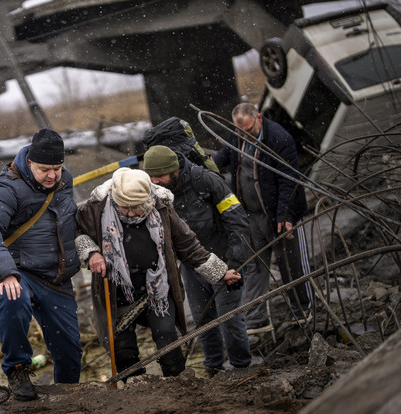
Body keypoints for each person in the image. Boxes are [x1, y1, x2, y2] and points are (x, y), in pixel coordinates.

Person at [75, 167, 241, 379]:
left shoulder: (162, 208)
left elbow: (188, 245)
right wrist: (91, 253)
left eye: (137, 207)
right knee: (121, 345)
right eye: (125, 208)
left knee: (166, 334)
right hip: (116, 287)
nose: (132, 213)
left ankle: (178, 381)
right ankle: (135, 387)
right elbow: (78, 231)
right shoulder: (96, 208)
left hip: (157, 286)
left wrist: (221, 272)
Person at [0, 128, 82, 401]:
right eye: (45, 169)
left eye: (57, 168)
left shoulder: (64, 181)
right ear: (29, 162)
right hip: (15, 269)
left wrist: (91, 251)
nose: (52, 175)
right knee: (14, 296)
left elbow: (71, 221)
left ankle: (66, 396)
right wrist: (6, 273)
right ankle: (18, 367)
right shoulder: (8, 188)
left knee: (69, 352)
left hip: (54, 277)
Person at [144, 145, 251, 376]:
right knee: (203, 321)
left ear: (173, 170)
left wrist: (235, 263)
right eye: (151, 178)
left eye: (159, 176)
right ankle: (213, 368)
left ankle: (242, 368)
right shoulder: (157, 192)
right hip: (192, 266)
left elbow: (238, 222)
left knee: (230, 320)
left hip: (223, 260)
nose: (155, 182)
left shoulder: (207, 182)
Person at [213, 102, 312, 334]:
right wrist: (207, 167)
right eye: (240, 131)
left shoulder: (279, 138)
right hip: (252, 215)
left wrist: (285, 216)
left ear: (258, 117)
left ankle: (303, 311)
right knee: (256, 266)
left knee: (291, 265)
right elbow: (224, 156)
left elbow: (289, 180)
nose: (244, 135)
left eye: (248, 130)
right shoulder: (237, 135)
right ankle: (257, 320)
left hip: (279, 213)